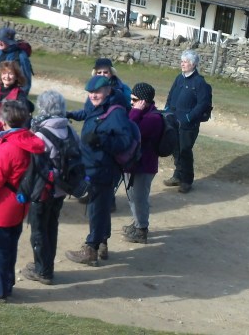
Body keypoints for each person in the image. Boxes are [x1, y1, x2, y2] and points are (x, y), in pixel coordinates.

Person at [0, 100, 45, 302]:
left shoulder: (7, 150)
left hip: (1, 210)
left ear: (3, 122)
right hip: (19, 207)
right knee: (10, 246)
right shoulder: (28, 140)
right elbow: (8, 145)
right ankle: (4, 280)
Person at [64, 75, 135, 266]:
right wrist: (70, 115)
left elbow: (125, 141)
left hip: (104, 169)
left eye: (97, 92)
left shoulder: (116, 113)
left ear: (108, 91)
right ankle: (102, 243)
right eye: (90, 92)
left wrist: (101, 141)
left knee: (96, 209)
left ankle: (91, 249)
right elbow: (87, 115)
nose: (93, 95)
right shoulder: (96, 107)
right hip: (93, 167)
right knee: (101, 207)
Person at [22, 90, 78, 285]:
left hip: (43, 189)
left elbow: (32, 164)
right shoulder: (69, 129)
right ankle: (47, 265)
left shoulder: (40, 133)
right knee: (51, 227)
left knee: (38, 230)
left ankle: (43, 271)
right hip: (61, 189)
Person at [163, 50, 213, 193]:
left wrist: (188, 118)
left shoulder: (200, 82)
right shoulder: (179, 78)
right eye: (182, 61)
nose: (182, 64)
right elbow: (171, 94)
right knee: (175, 149)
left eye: (185, 61)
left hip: (188, 125)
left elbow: (202, 104)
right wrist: (167, 111)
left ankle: (187, 180)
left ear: (193, 64)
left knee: (185, 150)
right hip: (174, 121)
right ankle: (177, 176)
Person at [123, 83, 162, 244]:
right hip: (133, 164)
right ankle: (137, 222)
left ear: (143, 101)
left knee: (139, 198)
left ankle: (141, 230)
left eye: (134, 99)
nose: (131, 102)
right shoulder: (142, 114)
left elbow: (128, 130)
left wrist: (136, 111)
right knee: (132, 196)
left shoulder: (153, 119)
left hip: (144, 166)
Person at [0, 27, 32, 123]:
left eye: (3, 40)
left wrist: (19, 99)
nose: (0, 42)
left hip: (9, 96)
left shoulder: (20, 56)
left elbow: (26, 81)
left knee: (3, 123)